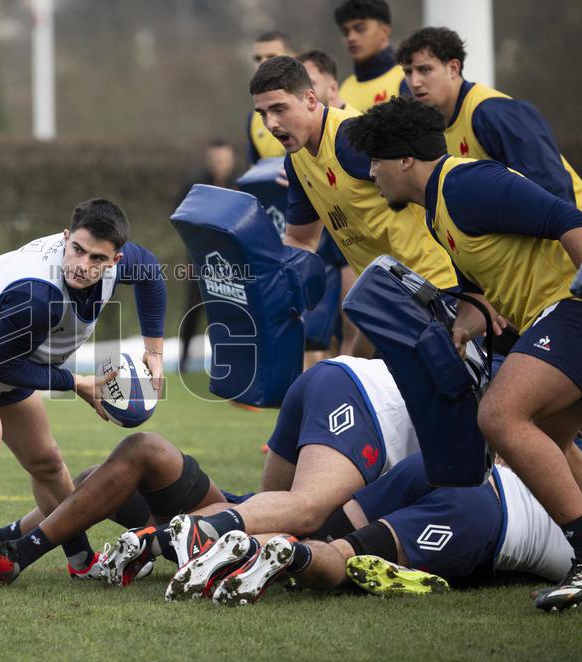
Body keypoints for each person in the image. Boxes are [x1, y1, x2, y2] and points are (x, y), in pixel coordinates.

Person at [345, 96, 582, 611]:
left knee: (499, 416)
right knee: (549, 439)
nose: (371, 174)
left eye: (376, 162)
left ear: (405, 160)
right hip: (553, 316)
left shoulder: (469, 183)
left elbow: (570, 218)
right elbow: (485, 285)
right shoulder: (436, 211)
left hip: (571, 308)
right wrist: (467, 320)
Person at [0, 355, 420, 587]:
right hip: (252, 512)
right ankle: (11, 546)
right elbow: (284, 508)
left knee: (119, 464)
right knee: (295, 508)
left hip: (332, 381)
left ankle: (14, 549)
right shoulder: (463, 464)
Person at [0, 198, 166, 597]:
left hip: (2, 345)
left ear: (116, 259)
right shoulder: (38, 297)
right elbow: (5, 370)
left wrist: (155, 351)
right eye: (77, 249)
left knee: (46, 460)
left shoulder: (120, 262)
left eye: (98, 258)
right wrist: (76, 383)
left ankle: (82, 562)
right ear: (66, 237)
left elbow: (151, 273)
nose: (83, 264)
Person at [249, 56, 458, 353]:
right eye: (263, 113)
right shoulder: (296, 162)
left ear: (310, 99)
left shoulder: (350, 139)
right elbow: (301, 239)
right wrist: (272, 287)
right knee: (353, 377)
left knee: (456, 394)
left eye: (279, 109)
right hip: (388, 298)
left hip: (435, 289)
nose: (271, 123)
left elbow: (435, 188)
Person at [170, 452, 574, 605]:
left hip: (447, 465)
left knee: (318, 522)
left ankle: (218, 539)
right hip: (480, 516)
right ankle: (290, 555)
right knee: (340, 557)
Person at [397, 26, 582, 208]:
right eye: (408, 72)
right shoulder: (434, 123)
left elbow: (553, 190)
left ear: (453, 68)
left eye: (425, 70)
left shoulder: (494, 113)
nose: (414, 82)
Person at [295, 49, 363, 361]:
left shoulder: (356, 131)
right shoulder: (294, 145)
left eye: (309, 81)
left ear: (331, 88)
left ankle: (349, 383)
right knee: (313, 328)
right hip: (322, 236)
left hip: (358, 243)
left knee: (354, 318)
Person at [177, 139, 239, 373]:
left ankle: (228, 360)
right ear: (209, 160)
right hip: (199, 257)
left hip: (231, 261)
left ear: (231, 161)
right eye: (216, 160)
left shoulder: (239, 185)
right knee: (194, 308)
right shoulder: (196, 187)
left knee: (229, 309)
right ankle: (184, 359)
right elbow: (180, 218)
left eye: (224, 160)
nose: (220, 164)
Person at [334, 0, 407, 111]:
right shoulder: (343, 90)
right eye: (345, 32)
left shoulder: (408, 78)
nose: (351, 37)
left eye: (360, 28)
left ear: (384, 31)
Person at [247, 31, 295, 166]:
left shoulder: (315, 104)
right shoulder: (253, 119)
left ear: (293, 57)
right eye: (257, 59)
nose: (263, 63)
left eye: (271, 56)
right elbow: (254, 170)